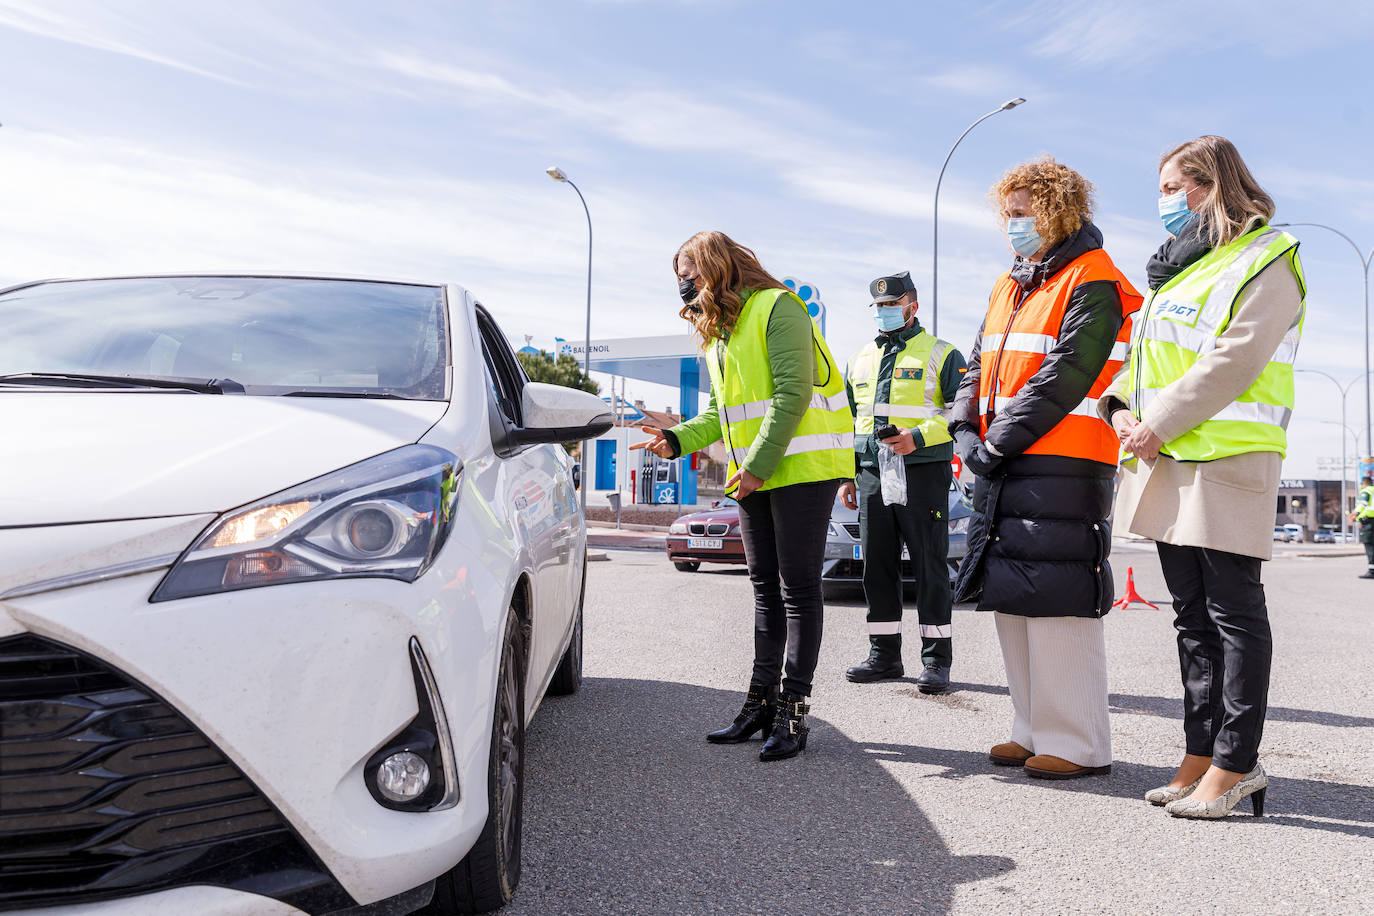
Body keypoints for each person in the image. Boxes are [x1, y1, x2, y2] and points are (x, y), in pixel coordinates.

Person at [1102, 135, 1306, 819]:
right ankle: (1200, 753)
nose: (1162, 203)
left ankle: (1238, 763)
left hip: (1225, 458)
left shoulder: (1266, 258)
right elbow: (1140, 361)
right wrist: (1120, 411)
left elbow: (1235, 361)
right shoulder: (1178, 272)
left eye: (1171, 188)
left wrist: (1151, 424)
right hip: (1163, 456)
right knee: (1191, 618)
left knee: (1233, 613)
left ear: (1211, 186)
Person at [949, 156, 1141, 781]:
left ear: (1061, 210)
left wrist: (995, 442)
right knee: (1015, 594)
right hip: (1006, 456)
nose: (1012, 225)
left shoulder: (1094, 278)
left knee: (1057, 598)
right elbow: (976, 362)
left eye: (1022, 213)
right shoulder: (1010, 284)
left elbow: (1068, 373)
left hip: (1064, 458)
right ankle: (1029, 729)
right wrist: (963, 426)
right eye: (1007, 214)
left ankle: (1077, 742)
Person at [632, 231, 853, 762]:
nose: (685, 285)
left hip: (802, 468)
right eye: (680, 278)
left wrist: (754, 465)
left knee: (797, 588)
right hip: (755, 473)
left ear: (718, 268)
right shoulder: (719, 333)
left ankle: (793, 713)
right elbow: (722, 415)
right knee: (763, 589)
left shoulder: (780, 307)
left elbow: (792, 393)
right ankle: (760, 703)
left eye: (691, 274)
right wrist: (678, 438)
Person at [839, 271, 966, 692]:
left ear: (912, 304)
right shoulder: (859, 360)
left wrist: (917, 437)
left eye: (891, 304)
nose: (884, 312)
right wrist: (847, 474)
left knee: (930, 564)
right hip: (873, 475)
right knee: (876, 564)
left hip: (923, 472)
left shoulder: (943, 354)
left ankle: (936, 661)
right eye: (878, 306)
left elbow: (961, 413)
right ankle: (884, 656)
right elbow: (846, 422)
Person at [1353, 474, 1374, 579]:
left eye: (1361, 484)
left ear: (1365, 483)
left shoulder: (1367, 491)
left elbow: (1362, 504)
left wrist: (1355, 514)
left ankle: (1372, 571)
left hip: (1369, 522)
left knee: (1370, 546)